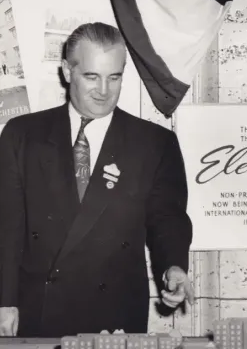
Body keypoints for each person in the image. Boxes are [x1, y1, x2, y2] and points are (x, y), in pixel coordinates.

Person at [0, 22, 194, 337]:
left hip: (114, 313)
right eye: (91, 76)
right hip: (37, 310)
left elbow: (168, 218)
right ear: (67, 71)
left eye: (114, 77)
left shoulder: (155, 143)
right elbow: (6, 226)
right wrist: (4, 301)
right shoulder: (22, 135)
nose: (104, 91)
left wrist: (174, 265)